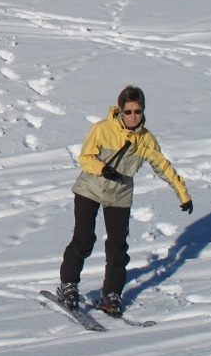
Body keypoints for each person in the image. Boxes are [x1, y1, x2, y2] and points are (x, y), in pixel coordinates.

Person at [56, 85, 193, 317]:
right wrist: (103, 169)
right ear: (120, 110)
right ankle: (68, 284)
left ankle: (112, 294)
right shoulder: (102, 129)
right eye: (128, 112)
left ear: (143, 111)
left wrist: (183, 194)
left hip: (119, 195)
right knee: (84, 239)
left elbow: (163, 167)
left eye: (137, 112)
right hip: (90, 189)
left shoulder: (146, 140)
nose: (133, 116)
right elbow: (85, 158)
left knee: (118, 246)